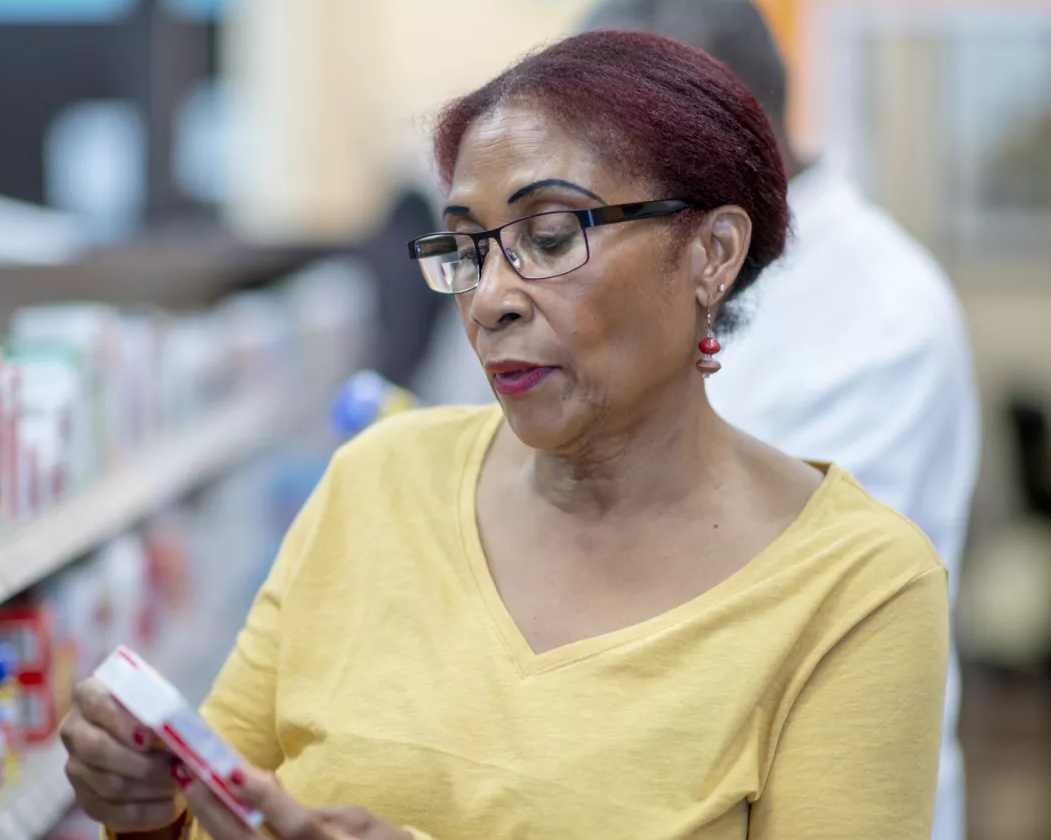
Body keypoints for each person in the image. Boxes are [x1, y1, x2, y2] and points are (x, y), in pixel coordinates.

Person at [62, 31, 949, 840]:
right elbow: (222, 805)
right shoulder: (377, 481)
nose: (490, 299)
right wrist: (147, 810)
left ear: (711, 252)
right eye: (468, 249)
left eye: (552, 236)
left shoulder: (856, 586)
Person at [575, 4, 981, 839]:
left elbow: (782, 590)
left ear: (736, 129)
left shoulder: (883, 308)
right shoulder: (639, 266)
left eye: (621, 150)